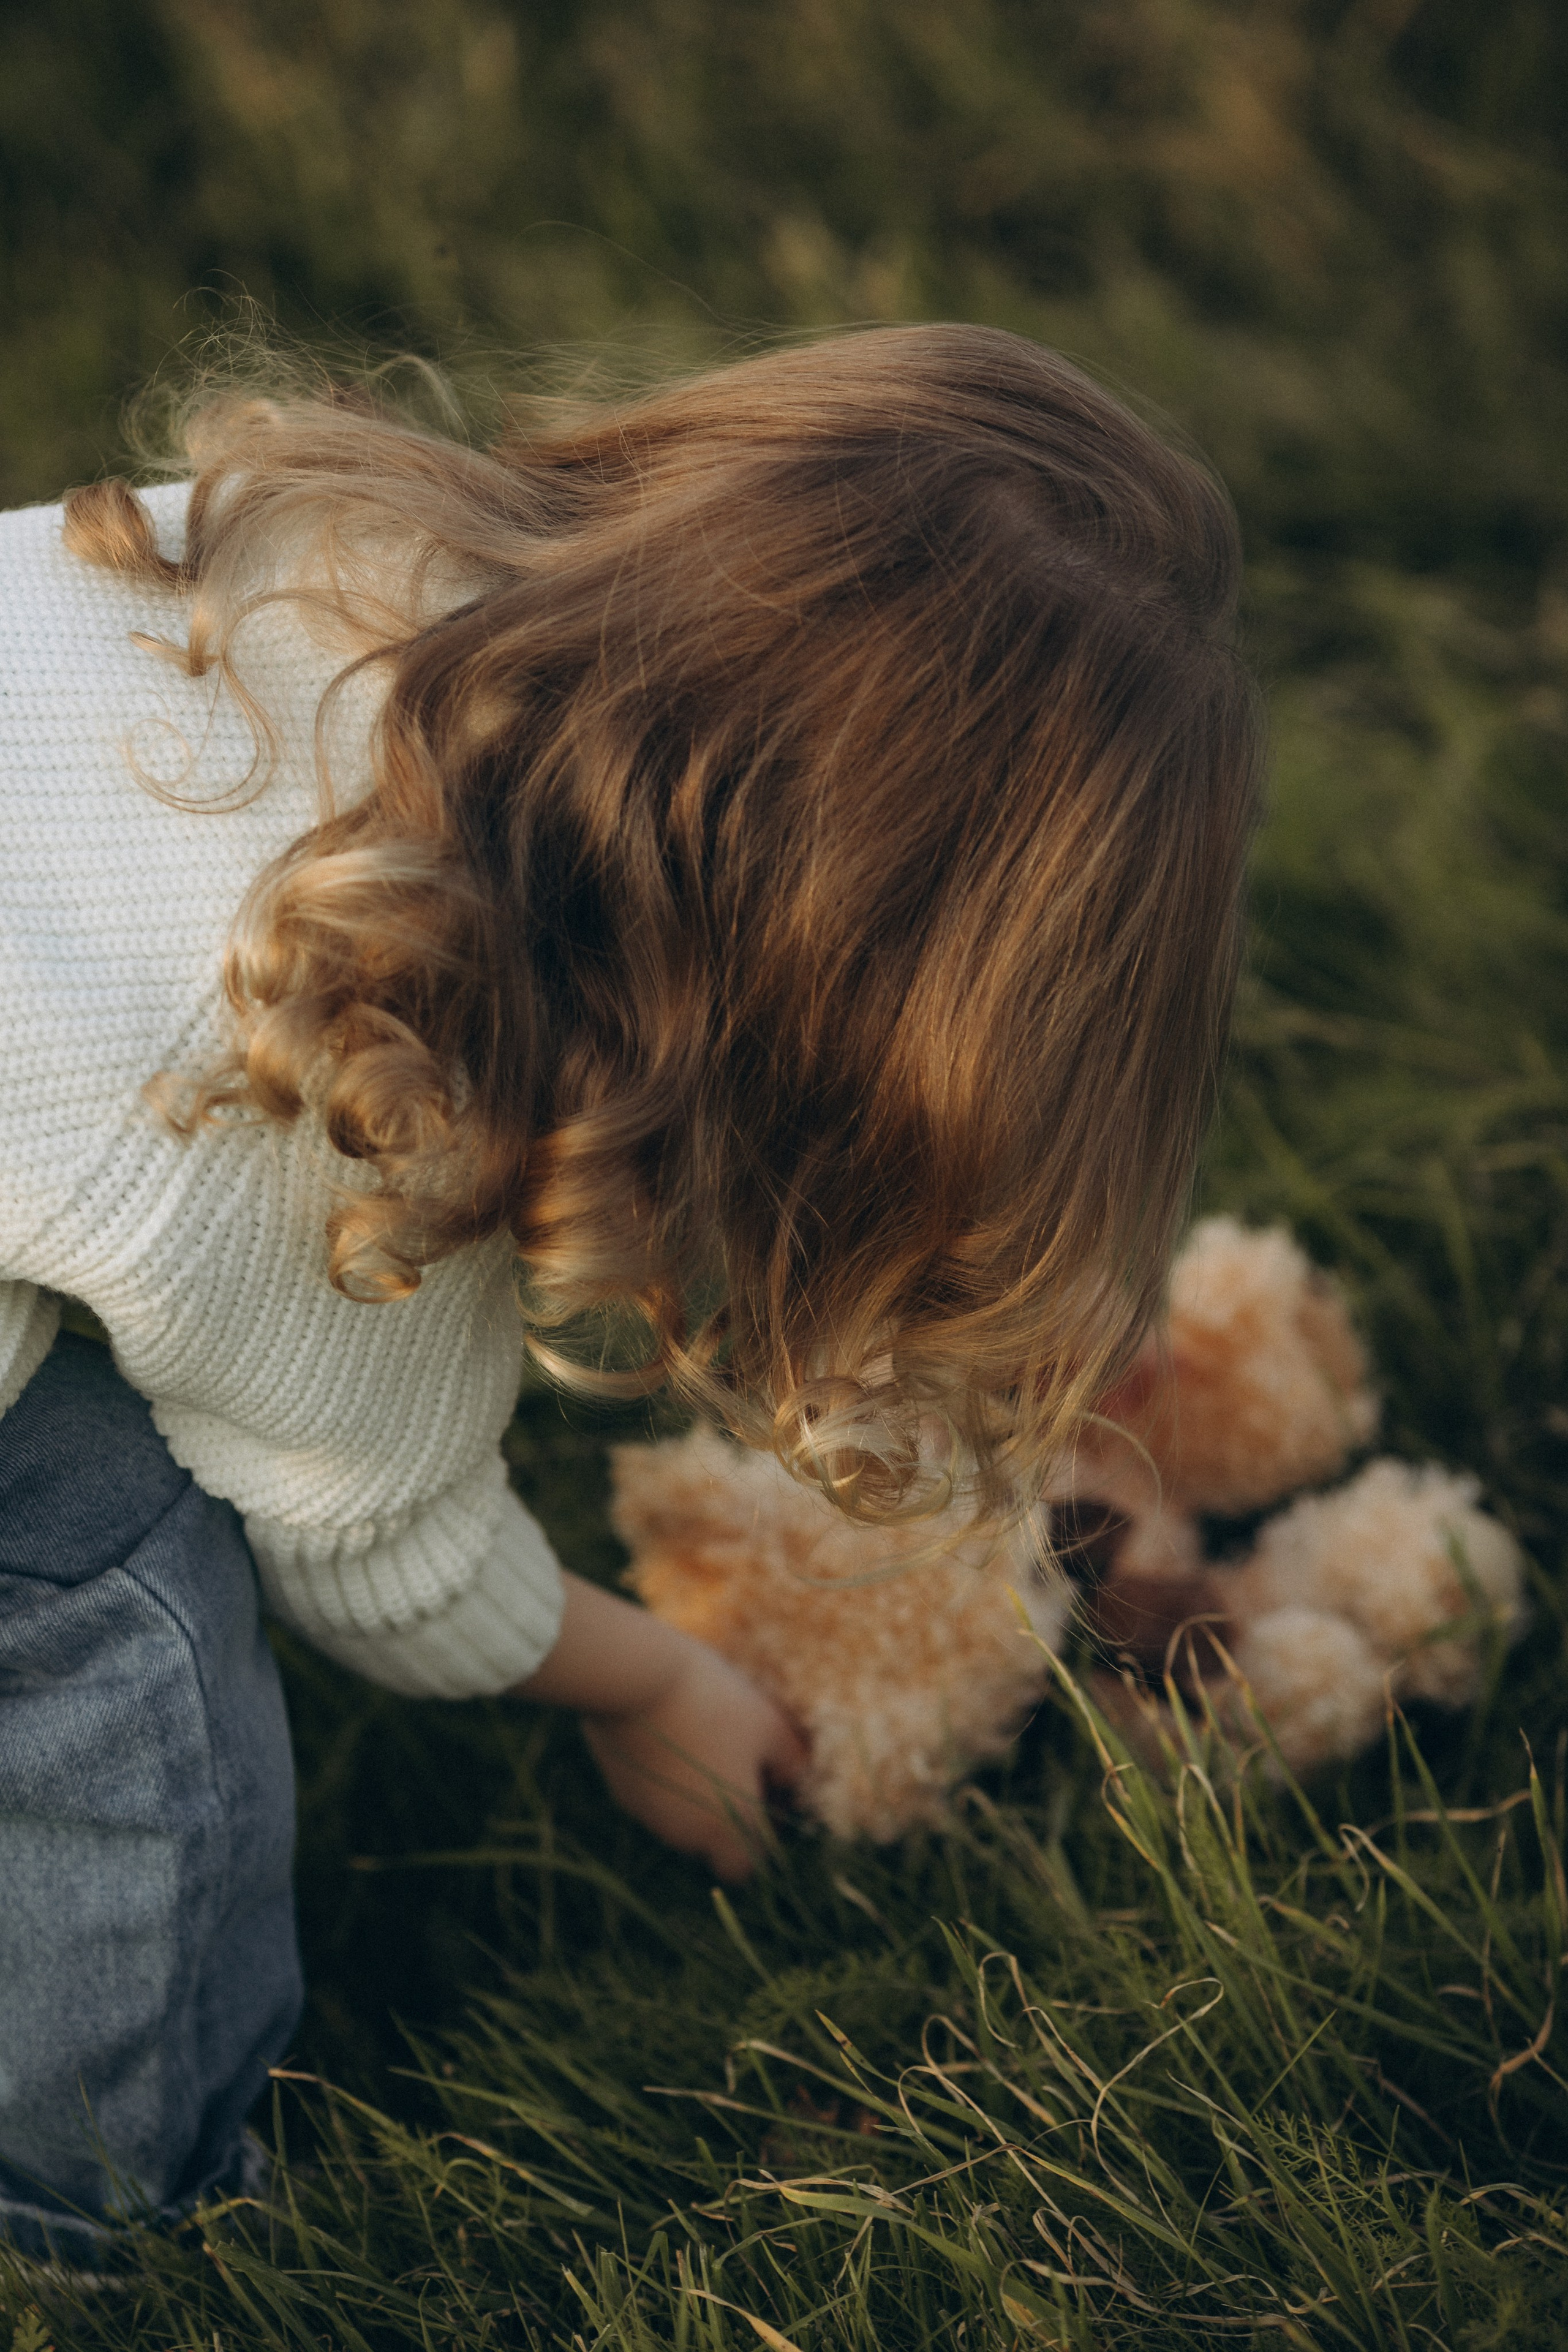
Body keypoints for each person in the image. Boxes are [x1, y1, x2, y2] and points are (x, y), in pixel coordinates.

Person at [0, 324, 1261, 2258]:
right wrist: (649, 1673)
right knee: (109, 1573)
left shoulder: (284, 570)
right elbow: (372, 1543)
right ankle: (108, 2215)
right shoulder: (341, 1041)